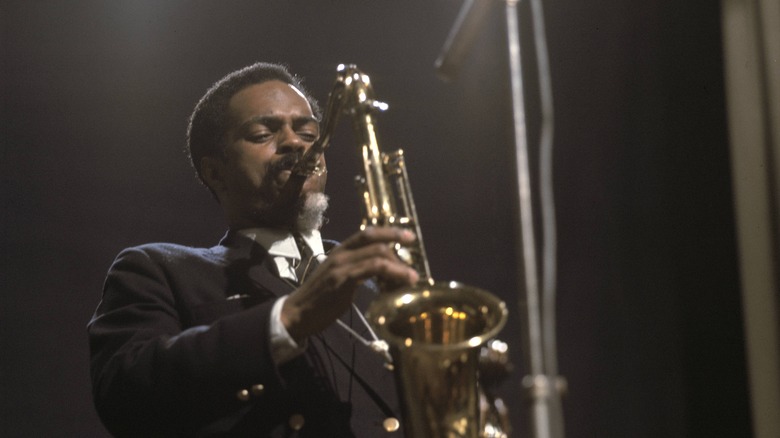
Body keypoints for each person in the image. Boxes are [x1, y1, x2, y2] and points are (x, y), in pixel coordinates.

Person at [88, 62, 420, 437]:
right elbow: (124, 395)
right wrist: (290, 318)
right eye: (263, 133)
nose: (296, 143)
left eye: (309, 131)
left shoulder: (378, 281)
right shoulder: (157, 270)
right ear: (215, 172)